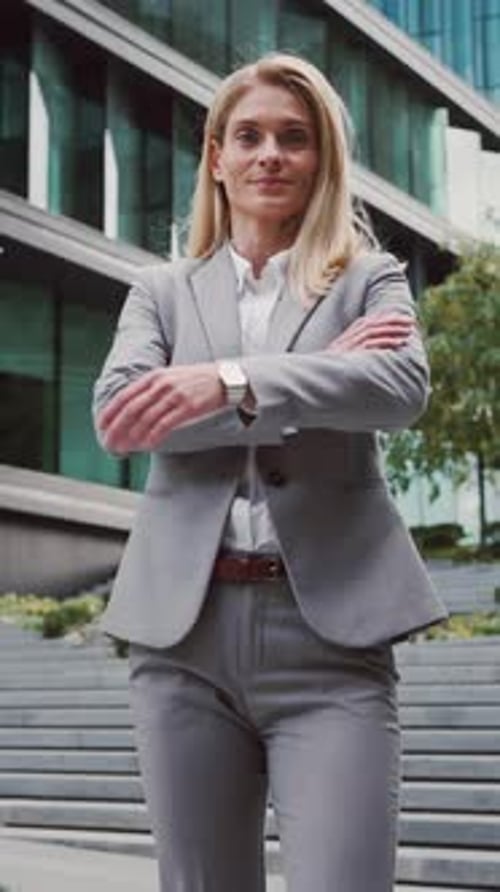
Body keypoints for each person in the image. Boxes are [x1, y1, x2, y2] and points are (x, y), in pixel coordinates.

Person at [93, 53, 447, 892]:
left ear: (322, 157)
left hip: (329, 640)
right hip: (182, 640)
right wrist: (322, 376)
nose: (270, 155)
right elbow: (120, 417)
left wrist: (228, 380)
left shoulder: (370, 278)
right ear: (216, 156)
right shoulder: (161, 291)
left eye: (294, 138)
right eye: (248, 136)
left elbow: (399, 388)